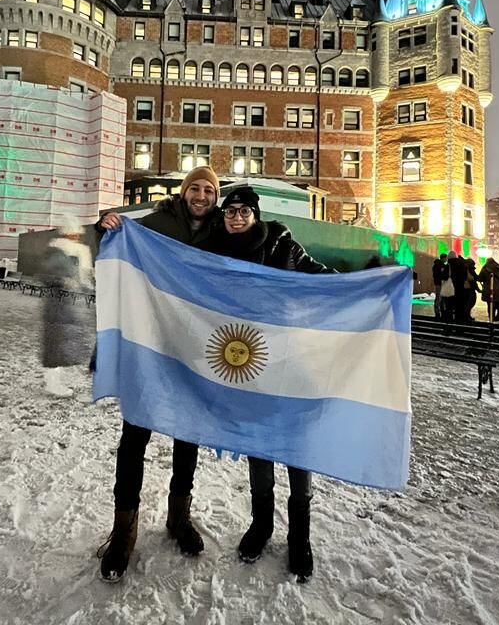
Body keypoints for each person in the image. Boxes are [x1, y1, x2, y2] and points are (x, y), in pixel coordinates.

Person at [95, 166, 222, 582]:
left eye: (209, 190)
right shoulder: (161, 220)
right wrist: (106, 224)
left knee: (187, 434)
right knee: (135, 434)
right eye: (195, 188)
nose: (201, 195)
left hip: (194, 346)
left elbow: (253, 251)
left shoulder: (220, 228)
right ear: (184, 192)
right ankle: (123, 531)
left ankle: (178, 516)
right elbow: (119, 238)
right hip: (150, 344)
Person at [204, 186, 331, 582]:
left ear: (256, 215)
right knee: (259, 445)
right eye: (231, 211)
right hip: (248, 364)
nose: (237, 217)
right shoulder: (215, 252)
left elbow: (319, 278)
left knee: (296, 446)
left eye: (245, 211)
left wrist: (370, 282)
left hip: (289, 359)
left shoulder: (282, 246)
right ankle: (261, 525)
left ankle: (300, 537)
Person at [478, 257, 499, 322]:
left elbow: (480, 278)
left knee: (490, 305)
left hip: (489, 290)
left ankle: (491, 318)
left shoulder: (484, 269)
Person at [431, 253, 449, 318]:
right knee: (439, 297)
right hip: (439, 283)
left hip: (438, 283)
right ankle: (438, 311)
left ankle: (439, 311)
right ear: (443, 258)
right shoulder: (440, 266)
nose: (446, 259)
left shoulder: (436, 265)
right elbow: (440, 275)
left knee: (439, 297)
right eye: (446, 258)